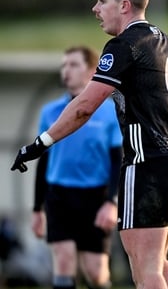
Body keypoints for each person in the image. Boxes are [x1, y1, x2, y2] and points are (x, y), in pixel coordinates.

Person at [11, 0, 168, 289]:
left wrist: (41, 142)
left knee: (146, 268)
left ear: (124, 5)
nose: (94, 8)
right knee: (158, 263)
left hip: (148, 166)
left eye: (101, 1)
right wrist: (167, 135)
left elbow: (85, 105)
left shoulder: (124, 45)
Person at [31, 46, 122, 289]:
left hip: (96, 197)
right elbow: (44, 160)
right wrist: (37, 208)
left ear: (92, 71)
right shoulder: (50, 112)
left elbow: (118, 160)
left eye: (73, 65)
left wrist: (111, 202)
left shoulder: (109, 112)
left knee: (95, 271)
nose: (66, 70)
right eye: (64, 65)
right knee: (63, 260)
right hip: (59, 195)